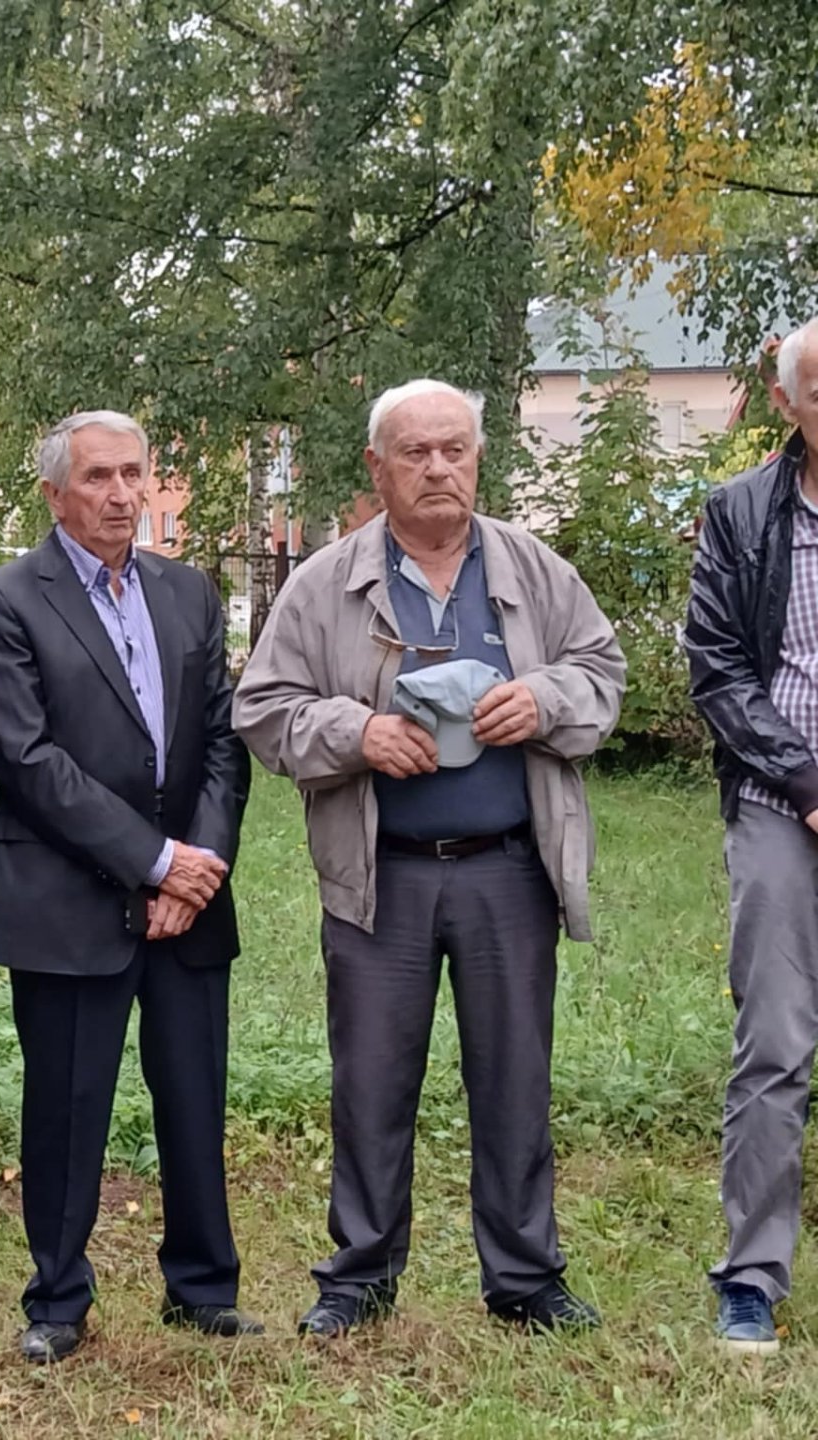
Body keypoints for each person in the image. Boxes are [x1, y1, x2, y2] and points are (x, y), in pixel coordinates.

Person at [234, 379, 624, 1336]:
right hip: (383, 873)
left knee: (514, 1079)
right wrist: (358, 731)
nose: (438, 467)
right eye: (416, 452)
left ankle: (526, 1280)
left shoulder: (533, 572)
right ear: (378, 468)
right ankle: (359, 1279)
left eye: (454, 449)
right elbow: (262, 708)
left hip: (507, 868)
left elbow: (602, 675)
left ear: (479, 458)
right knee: (370, 1082)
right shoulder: (326, 583)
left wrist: (544, 702)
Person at [0, 411, 256, 1363]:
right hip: (70, 899)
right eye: (98, 477)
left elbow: (222, 740)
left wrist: (197, 870)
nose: (122, 494)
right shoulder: (6, 601)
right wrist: (155, 860)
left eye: (134, 474)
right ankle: (57, 1301)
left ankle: (204, 1288)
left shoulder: (188, 592)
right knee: (66, 1106)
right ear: (55, 492)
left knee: (193, 1098)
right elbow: (29, 759)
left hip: (189, 906)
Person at [684, 316, 818, 1355]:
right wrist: (807, 781)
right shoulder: (740, 514)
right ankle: (752, 1278)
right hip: (784, 803)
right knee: (773, 1043)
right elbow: (720, 673)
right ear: (786, 405)